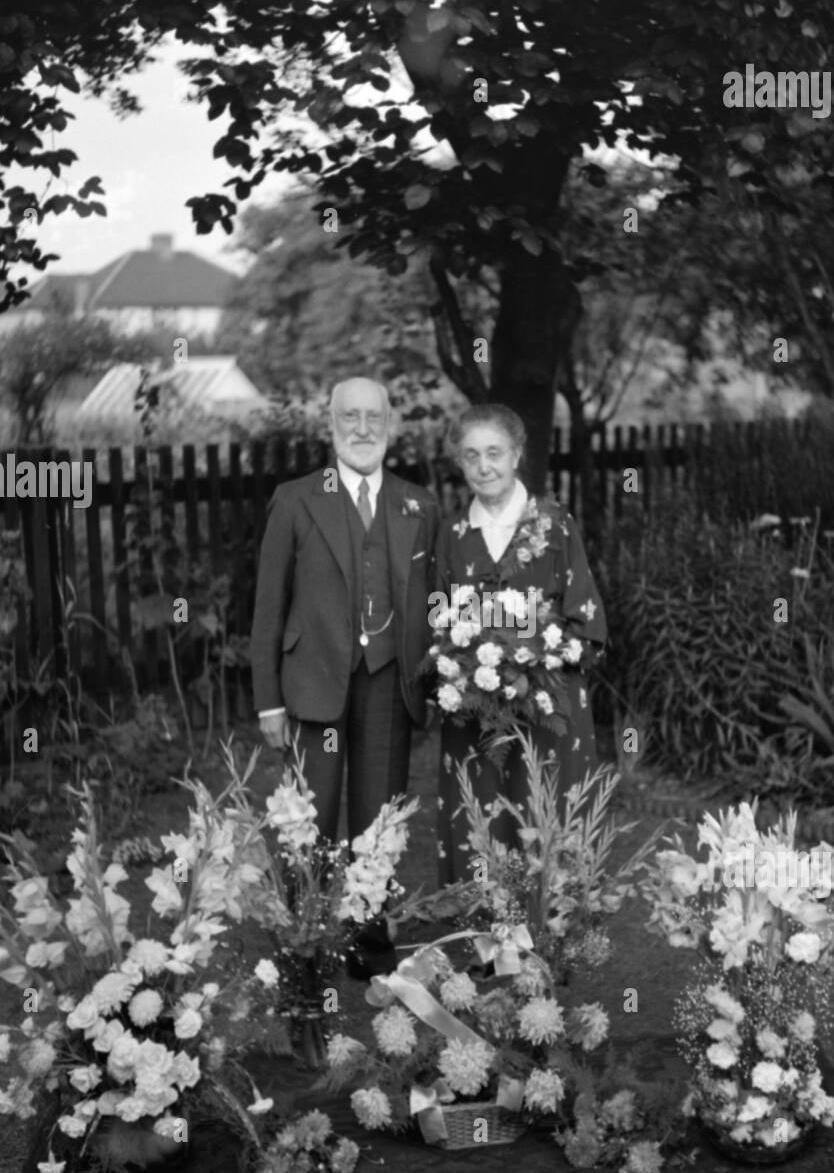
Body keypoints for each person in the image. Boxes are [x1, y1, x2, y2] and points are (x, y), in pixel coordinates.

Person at [250, 376, 439, 976]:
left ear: (391, 426)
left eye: (373, 417)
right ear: (329, 424)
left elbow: (435, 601)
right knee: (309, 817)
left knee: (378, 814)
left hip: (389, 681)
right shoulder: (296, 498)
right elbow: (267, 607)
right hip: (313, 682)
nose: (362, 428)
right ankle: (303, 940)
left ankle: (367, 939)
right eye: (349, 417)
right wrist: (268, 703)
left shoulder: (418, 504)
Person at [433, 404, 607, 890]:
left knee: (546, 809)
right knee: (481, 814)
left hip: (548, 709)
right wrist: (457, 665)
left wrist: (536, 661)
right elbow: (436, 617)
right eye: (471, 456)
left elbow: (586, 618)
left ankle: (553, 941)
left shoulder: (554, 526)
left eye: (494, 453)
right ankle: (490, 937)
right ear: (460, 463)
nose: (484, 466)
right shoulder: (452, 535)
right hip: (476, 714)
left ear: (516, 455)